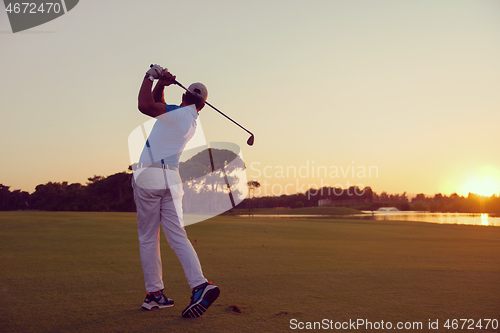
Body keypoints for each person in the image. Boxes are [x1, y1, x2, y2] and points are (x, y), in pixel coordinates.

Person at [132, 64, 220, 318]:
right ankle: (200, 285)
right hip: (171, 178)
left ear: (184, 96)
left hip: (150, 175)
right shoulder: (188, 119)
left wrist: (150, 77)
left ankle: (154, 293)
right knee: (177, 235)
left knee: (149, 237)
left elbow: (145, 106)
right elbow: (159, 105)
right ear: (201, 105)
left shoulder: (176, 113)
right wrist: (163, 84)